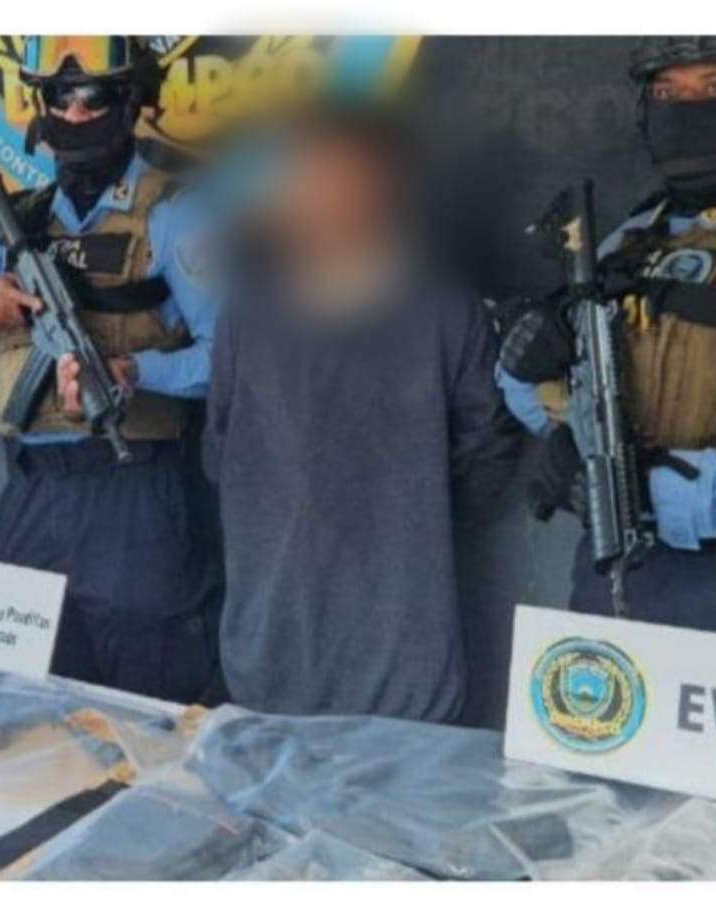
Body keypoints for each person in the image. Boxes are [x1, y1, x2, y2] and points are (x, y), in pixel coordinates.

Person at [202, 107, 520, 720]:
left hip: (404, 664)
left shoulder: (443, 308)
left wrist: (406, 513)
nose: (329, 197)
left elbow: (488, 453)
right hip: (270, 657)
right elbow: (220, 448)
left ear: (386, 189)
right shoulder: (248, 310)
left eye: (348, 178)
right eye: (313, 178)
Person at [0, 36, 223, 703]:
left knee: (148, 708)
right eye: (58, 97)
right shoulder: (16, 223)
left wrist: (132, 373)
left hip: (135, 496)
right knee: (31, 704)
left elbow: (231, 358)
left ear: (129, 101)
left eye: (92, 96)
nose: (73, 114)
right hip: (32, 496)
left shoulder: (177, 214)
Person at [496, 37, 716, 633]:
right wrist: (527, 368)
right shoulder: (628, 243)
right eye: (667, 93)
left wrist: (661, 494)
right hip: (618, 577)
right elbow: (550, 402)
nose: (689, 112)